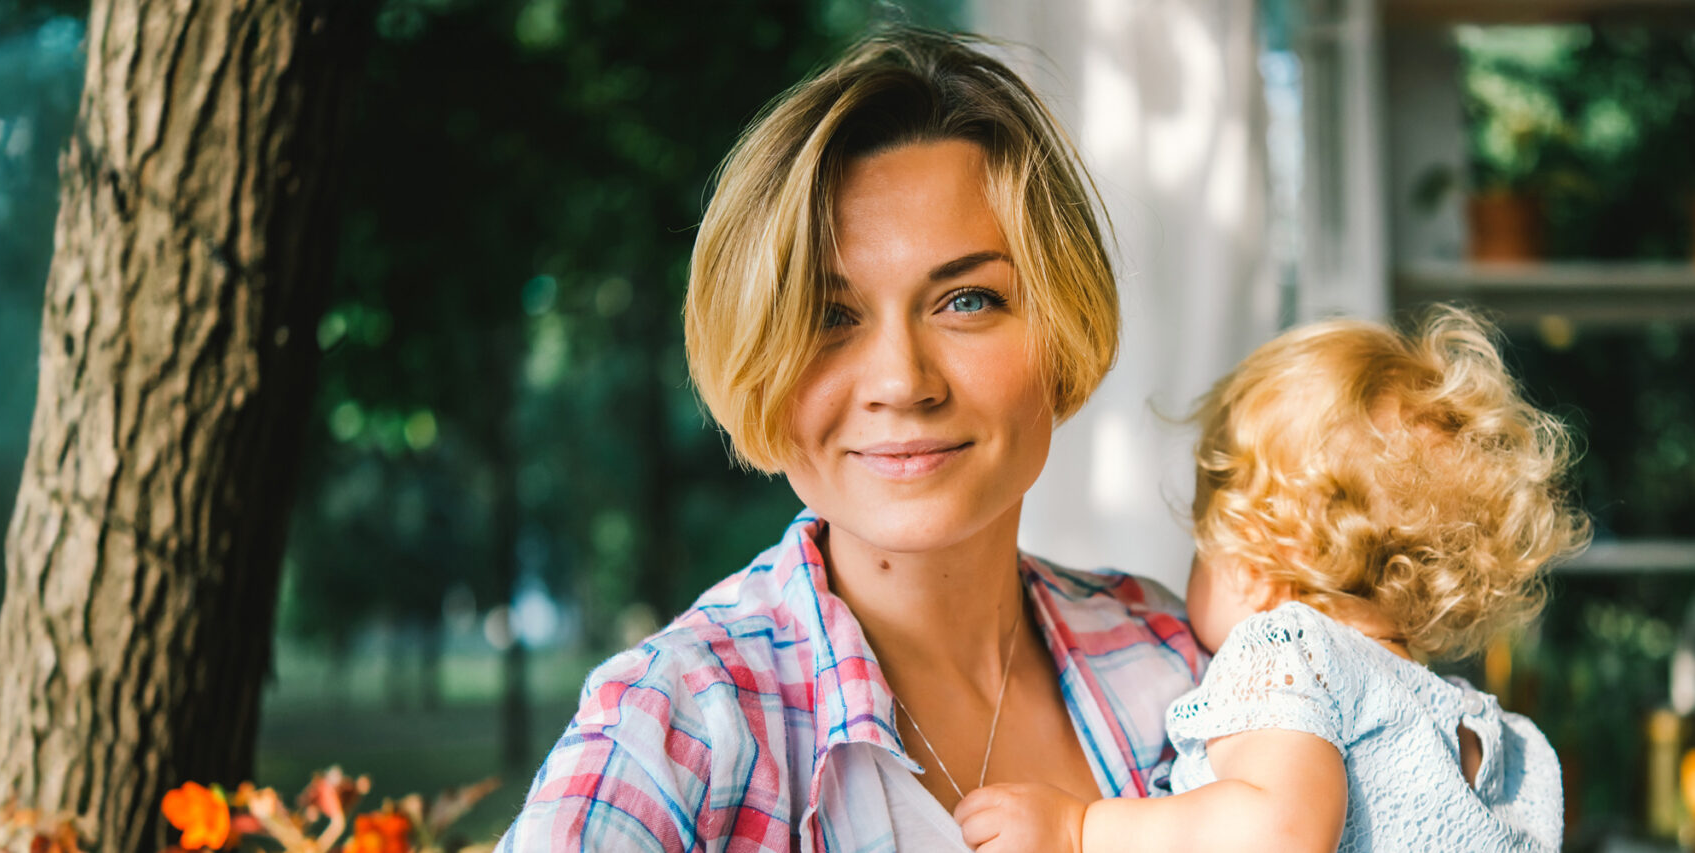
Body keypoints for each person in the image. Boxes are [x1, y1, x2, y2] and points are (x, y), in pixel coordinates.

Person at [494, 26, 1204, 853]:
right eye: (831, 317)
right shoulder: (671, 727)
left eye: (967, 299)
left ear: (1063, 322)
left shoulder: (1165, 652)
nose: (903, 382)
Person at [953, 308, 1582, 852]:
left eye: (1202, 543)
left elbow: (1279, 833)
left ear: (1255, 558)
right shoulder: (1479, 732)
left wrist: (1080, 831)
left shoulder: (1283, 651)